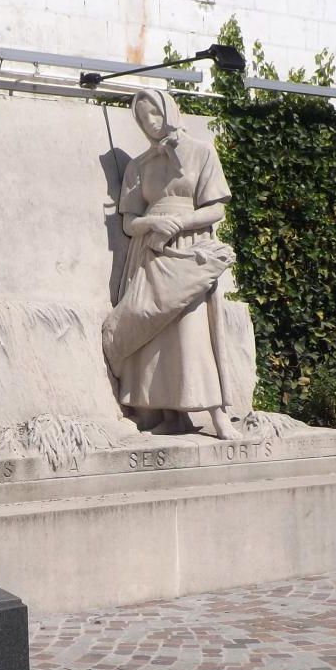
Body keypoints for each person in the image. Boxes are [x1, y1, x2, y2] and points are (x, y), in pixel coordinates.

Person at [102, 88, 241, 440]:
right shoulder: (138, 165)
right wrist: (152, 223)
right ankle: (172, 416)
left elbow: (217, 209)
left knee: (193, 333)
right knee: (157, 337)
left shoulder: (201, 152)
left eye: (154, 112)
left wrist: (179, 223)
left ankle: (218, 416)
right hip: (151, 252)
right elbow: (129, 221)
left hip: (190, 249)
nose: (149, 122)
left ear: (169, 110)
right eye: (141, 117)